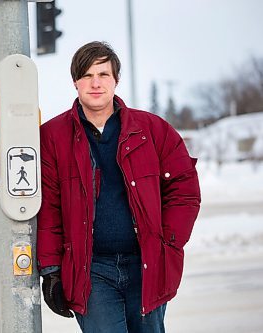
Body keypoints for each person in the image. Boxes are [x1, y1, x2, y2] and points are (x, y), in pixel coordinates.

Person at [36, 41, 201, 332]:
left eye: (103, 74)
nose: (95, 83)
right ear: (75, 81)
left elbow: (184, 187)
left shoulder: (152, 130)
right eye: (87, 75)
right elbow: (48, 207)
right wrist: (51, 270)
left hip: (146, 263)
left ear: (116, 80)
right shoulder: (52, 136)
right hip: (90, 270)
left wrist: (168, 241)